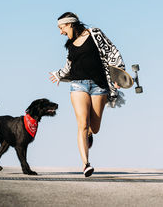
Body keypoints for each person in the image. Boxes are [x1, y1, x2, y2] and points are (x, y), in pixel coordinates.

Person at [49, 12, 125, 177]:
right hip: (78, 85)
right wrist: (59, 74)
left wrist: (118, 75)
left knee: (94, 127)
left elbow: (112, 52)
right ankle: (86, 164)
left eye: (61, 27)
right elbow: (69, 66)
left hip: (99, 86)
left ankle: (89, 134)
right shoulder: (70, 45)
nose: (60, 32)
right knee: (82, 124)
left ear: (69, 24)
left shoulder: (95, 34)